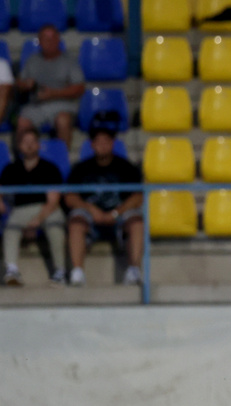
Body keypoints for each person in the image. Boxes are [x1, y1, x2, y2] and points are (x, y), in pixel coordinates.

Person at [63, 118, 144, 286]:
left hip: (119, 217)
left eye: (106, 141)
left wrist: (116, 213)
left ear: (113, 143)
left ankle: (134, 271)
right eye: (98, 141)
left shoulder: (127, 167)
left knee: (136, 220)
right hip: (90, 218)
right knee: (76, 220)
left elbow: (138, 197)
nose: (102, 145)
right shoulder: (80, 168)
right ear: (91, 145)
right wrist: (90, 209)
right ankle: (77, 272)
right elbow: (70, 197)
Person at [1, 129, 67, 286]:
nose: (29, 146)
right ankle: (12, 270)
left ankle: (60, 271)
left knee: (54, 225)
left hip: (46, 209)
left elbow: (53, 201)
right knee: (11, 226)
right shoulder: (10, 169)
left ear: (38, 145)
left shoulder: (50, 168)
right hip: (20, 210)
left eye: (32, 142)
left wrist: (36, 221)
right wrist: (5, 210)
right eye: (25, 142)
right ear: (19, 146)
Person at [16, 24, 84, 146]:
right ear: (39, 41)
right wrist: (26, 84)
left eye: (53, 38)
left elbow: (79, 88)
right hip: (35, 105)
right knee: (22, 122)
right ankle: (23, 160)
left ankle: (62, 159)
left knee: (63, 121)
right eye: (45, 39)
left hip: (63, 105)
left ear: (58, 40)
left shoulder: (69, 61)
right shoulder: (32, 60)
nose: (49, 42)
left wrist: (53, 93)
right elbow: (20, 83)